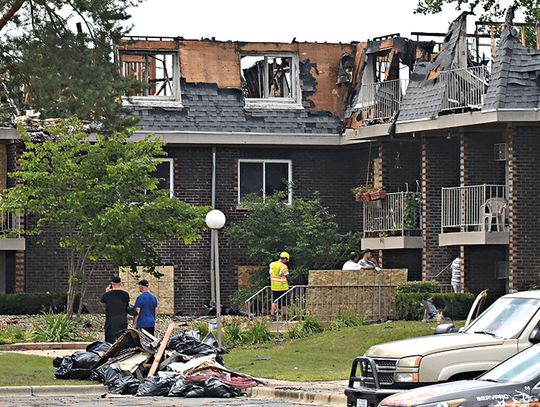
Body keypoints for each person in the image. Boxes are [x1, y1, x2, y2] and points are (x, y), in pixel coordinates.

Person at [100, 275, 130, 344]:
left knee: (109, 343)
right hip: (122, 321)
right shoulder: (125, 294)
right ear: (120, 284)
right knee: (122, 342)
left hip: (111, 322)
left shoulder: (107, 295)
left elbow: (102, 303)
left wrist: (107, 292)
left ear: (111, 284)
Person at [269, 251, 290, 319]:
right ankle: (284, 316)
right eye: (286, 260)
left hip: (274, 287)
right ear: (285, 258)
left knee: (274, 301)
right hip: (283, 287)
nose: (286, 262)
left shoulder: (272, 264)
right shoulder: (283, 266)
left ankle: (272, 315)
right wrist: (289, 281)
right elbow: (287, 276)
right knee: (284, 302)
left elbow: (271, 274)